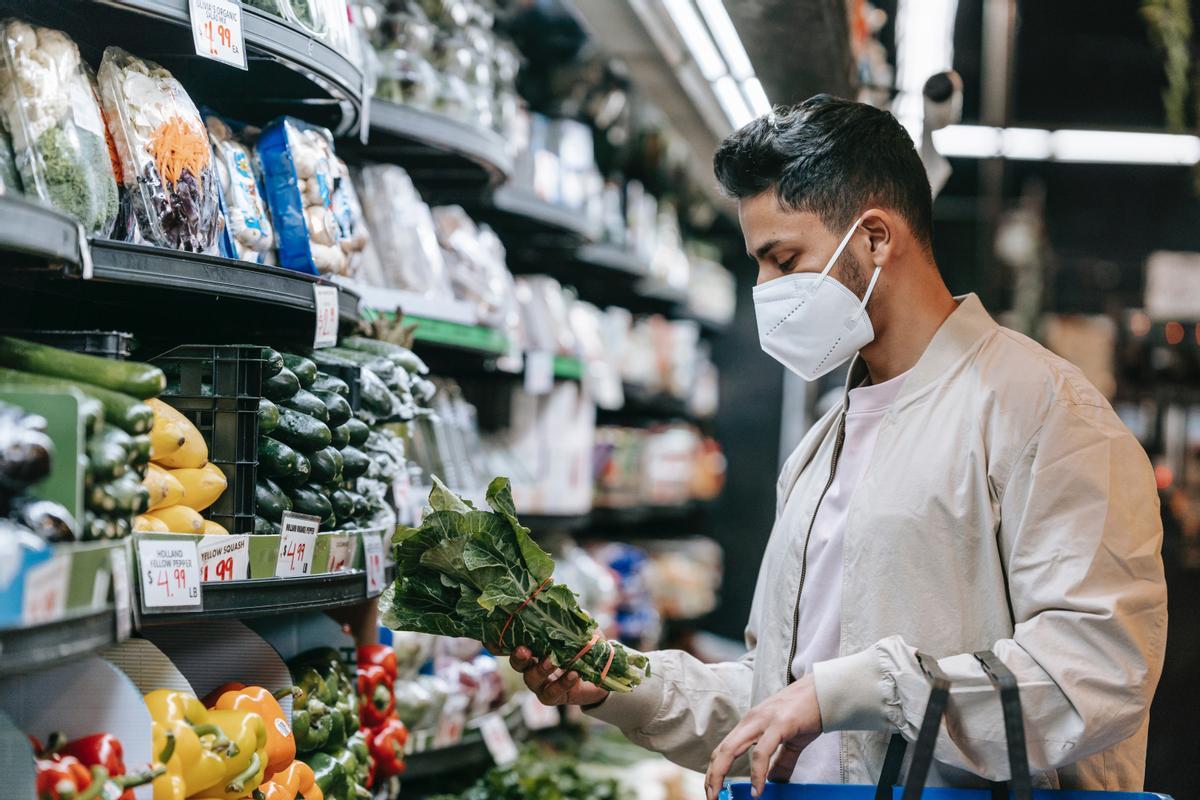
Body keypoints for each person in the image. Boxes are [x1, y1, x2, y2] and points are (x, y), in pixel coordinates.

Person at [509, 95, 1168, 798]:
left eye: (783, 259)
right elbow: (778, 697)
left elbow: (1093, 674)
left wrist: (858, 689)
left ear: (875, 238)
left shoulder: (1041, 414)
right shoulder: (823, 445)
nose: (763, 290)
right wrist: (618, 681)